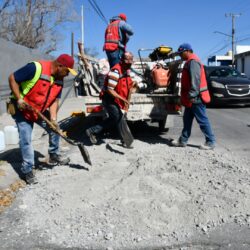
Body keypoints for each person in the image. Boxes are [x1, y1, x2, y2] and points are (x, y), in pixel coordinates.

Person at [8, 54, 77, 184]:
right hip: (22, 108)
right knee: (26, 139)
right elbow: (12, 78)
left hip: (38, 108)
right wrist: (19, 98)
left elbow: (54, 100)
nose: (67, 74)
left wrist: (54, 119)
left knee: (54, 129)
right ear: (59, 66)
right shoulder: (35, 68)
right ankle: (27, 170)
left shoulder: (59, 78)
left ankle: (54, 155)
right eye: (67, 71)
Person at [171, 43, 216, 150]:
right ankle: (183, 140)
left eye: (181, 53)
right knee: (187, 120)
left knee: (202, 120)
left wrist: (192, 95)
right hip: (191, 97)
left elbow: (195, 80)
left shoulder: (193, 62)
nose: (180, 55)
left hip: (196, 97)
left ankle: (210, 142)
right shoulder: (189, 61)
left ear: (187, 51)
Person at [86, 51, 135, 147]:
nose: (129, 65)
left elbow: (127, 83)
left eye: (130, 63)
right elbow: (110, 90)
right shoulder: (116, 72)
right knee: (116, 118)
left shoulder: (126, 70)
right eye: (127, 63)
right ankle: (91, 131)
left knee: (119, 118)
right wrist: (124, 100)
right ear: (122, 61)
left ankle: (125, 140)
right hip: (108, 98)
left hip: (115, 98)